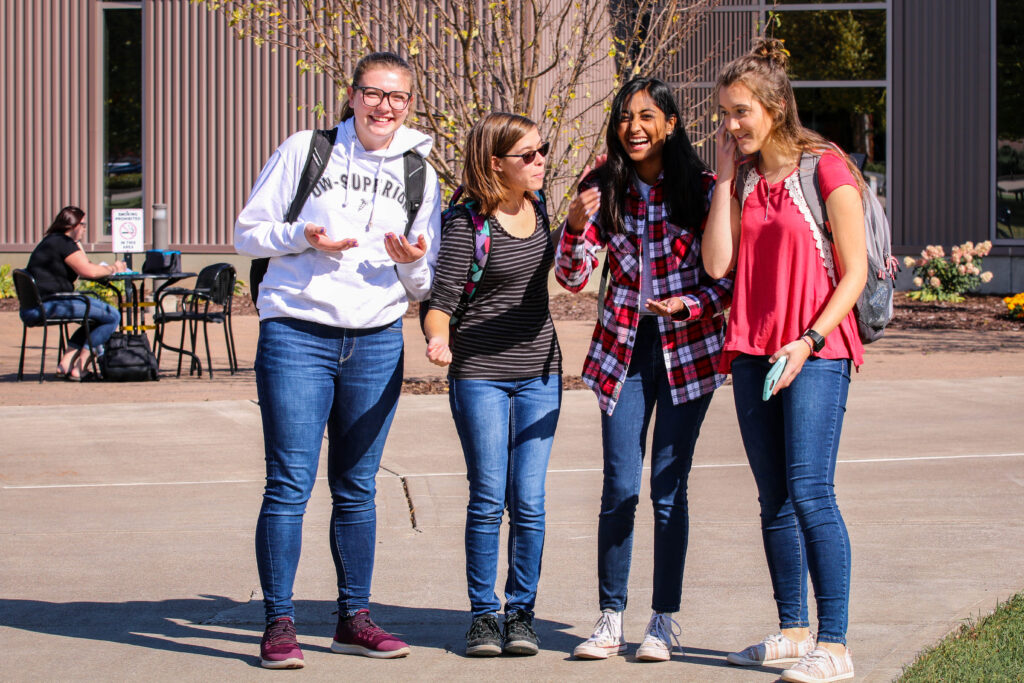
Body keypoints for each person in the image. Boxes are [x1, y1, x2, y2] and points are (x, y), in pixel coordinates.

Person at [234, 51, 442, 670]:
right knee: (290, 484)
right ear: (352, 96)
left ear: (409, 104)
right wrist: (303, 235)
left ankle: (354, 617)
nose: (385, 106)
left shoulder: (418, 171)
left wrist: (409, 259)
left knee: (357, 487)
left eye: (398, 97)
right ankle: (279, 623)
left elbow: (423, 281)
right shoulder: (307, 150)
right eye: (374, 94)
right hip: (298, 332)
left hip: (376, 338)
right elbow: (247, 232)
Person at [703, 38, 867, 683]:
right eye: (723, 114)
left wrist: (809, 339)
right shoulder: (741, 178)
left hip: (817, 349)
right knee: (773, 498)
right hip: (751, 349)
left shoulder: (825, 167)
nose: (730, 124)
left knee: (810, 492)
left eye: (740, 112)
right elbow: (718, 264)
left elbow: (853, 274)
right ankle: (795, 630)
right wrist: (721, 178)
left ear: (774, 107)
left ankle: (836, 643)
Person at [555, 77, 732, 662]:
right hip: (622, 350)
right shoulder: (602, 188)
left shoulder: (703, 190)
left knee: (668, 489)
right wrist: (577, 225)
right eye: (626, 117)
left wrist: (689, 305)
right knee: (621, 486)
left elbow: (727, 279)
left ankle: (662, 620)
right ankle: (610, 617)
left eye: (647, 116)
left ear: (672, 124)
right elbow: (574, 279)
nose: (634, 127)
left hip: (688, 349)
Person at [423, 112, 561, 658]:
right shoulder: (466, 223)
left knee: (529, 500)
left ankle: (521, 611)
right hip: (479, 374)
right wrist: (439, 340)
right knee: (488, 498)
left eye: (541, 150)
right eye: (527, 155)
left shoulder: (543, 207)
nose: (539, 161)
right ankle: (484, 614)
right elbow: (440, 303)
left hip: (540, 374)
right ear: (494, 162)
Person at [22, 206, 125, 380]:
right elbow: (89, 271)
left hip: (35, 306)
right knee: (112, 315)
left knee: (95, 318)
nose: (84, 229)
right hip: (51, 304)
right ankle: (80, 368)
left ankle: (66, 363)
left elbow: (84, 264)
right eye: (82, 225)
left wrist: (77, 244)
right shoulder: (63, 243)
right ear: (72, 225)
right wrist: (115, 268)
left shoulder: (51, 241)